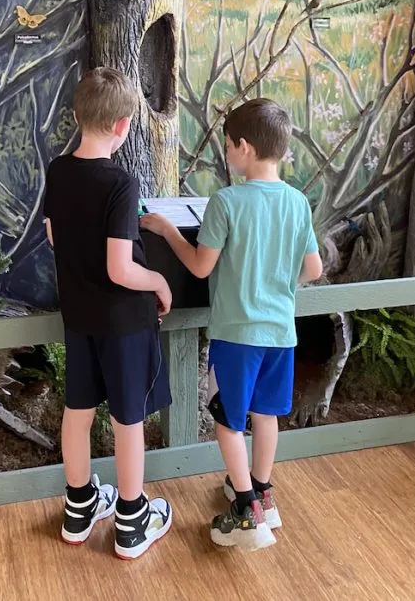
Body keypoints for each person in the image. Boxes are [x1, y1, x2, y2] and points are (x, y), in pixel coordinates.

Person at [142, 97, 322, 550]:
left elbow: (201, 267)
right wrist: (279, 282)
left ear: (243, 147)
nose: (226, 153)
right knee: (266, 415)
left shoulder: (226, 202)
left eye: (227, 145)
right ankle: (262, 493)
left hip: (236, 334)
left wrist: (166, 232)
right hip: (281, 333)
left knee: (226, 418)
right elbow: (313, 269)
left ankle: (244, 512)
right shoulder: (298, 202)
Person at [43, 67, 174, 559]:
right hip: (122, 323)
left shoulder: (58, 170)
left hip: (78, 316)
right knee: (128, 420)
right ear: (123, 125)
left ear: (77, 116)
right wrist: (159, 281)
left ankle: (79, 508)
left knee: (77, 412)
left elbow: (55, 236)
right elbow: (121, 269)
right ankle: (132, 521)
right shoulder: (122, 182)